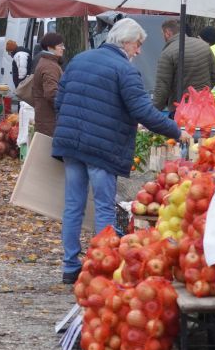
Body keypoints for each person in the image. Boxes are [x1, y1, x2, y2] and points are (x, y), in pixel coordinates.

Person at [53, 18, 183, 285]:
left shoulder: (78, 60)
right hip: (102, 147)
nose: (139, 51)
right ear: (126, 42)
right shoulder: (125, 70)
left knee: (73, 206)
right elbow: (143, 111)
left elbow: (59, 101)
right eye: (138, 45)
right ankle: (101, 267)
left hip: (71, 144)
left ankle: (69, 266)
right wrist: (176, 131)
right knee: (103, 207)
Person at [151, 19, 215, 111]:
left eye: (163, 34)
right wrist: (203, 92)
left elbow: (161, 89)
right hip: (204, 107)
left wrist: (153, 113)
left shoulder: (167, 53)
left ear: (167, 32)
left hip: (181, 110)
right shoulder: (204, 46)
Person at [29, 32, 66, 137]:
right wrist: (65, 108)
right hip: (50, 119)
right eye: (60, 46)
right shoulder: (50, 66)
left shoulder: (48, 62)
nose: (63, 48)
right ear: (50, 47)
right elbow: (51, 94)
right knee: (49, 151)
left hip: (46, 118)